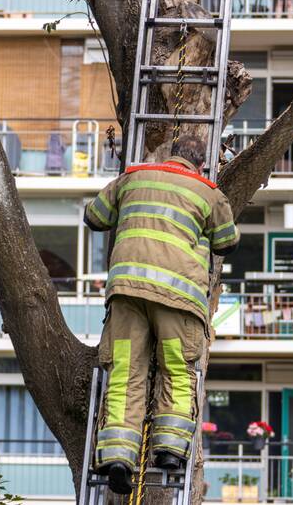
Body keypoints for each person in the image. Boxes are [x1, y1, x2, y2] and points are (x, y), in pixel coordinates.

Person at [84, 135, 240, 495]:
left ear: (170, 155)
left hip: (126, 293)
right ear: (200, 164)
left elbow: (94, 217)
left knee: (124, 370)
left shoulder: (133, 176)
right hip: (178, 297)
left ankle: (118, 457)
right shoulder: (207, 190)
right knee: (177, 369)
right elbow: (227, 241)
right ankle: (169, 450)